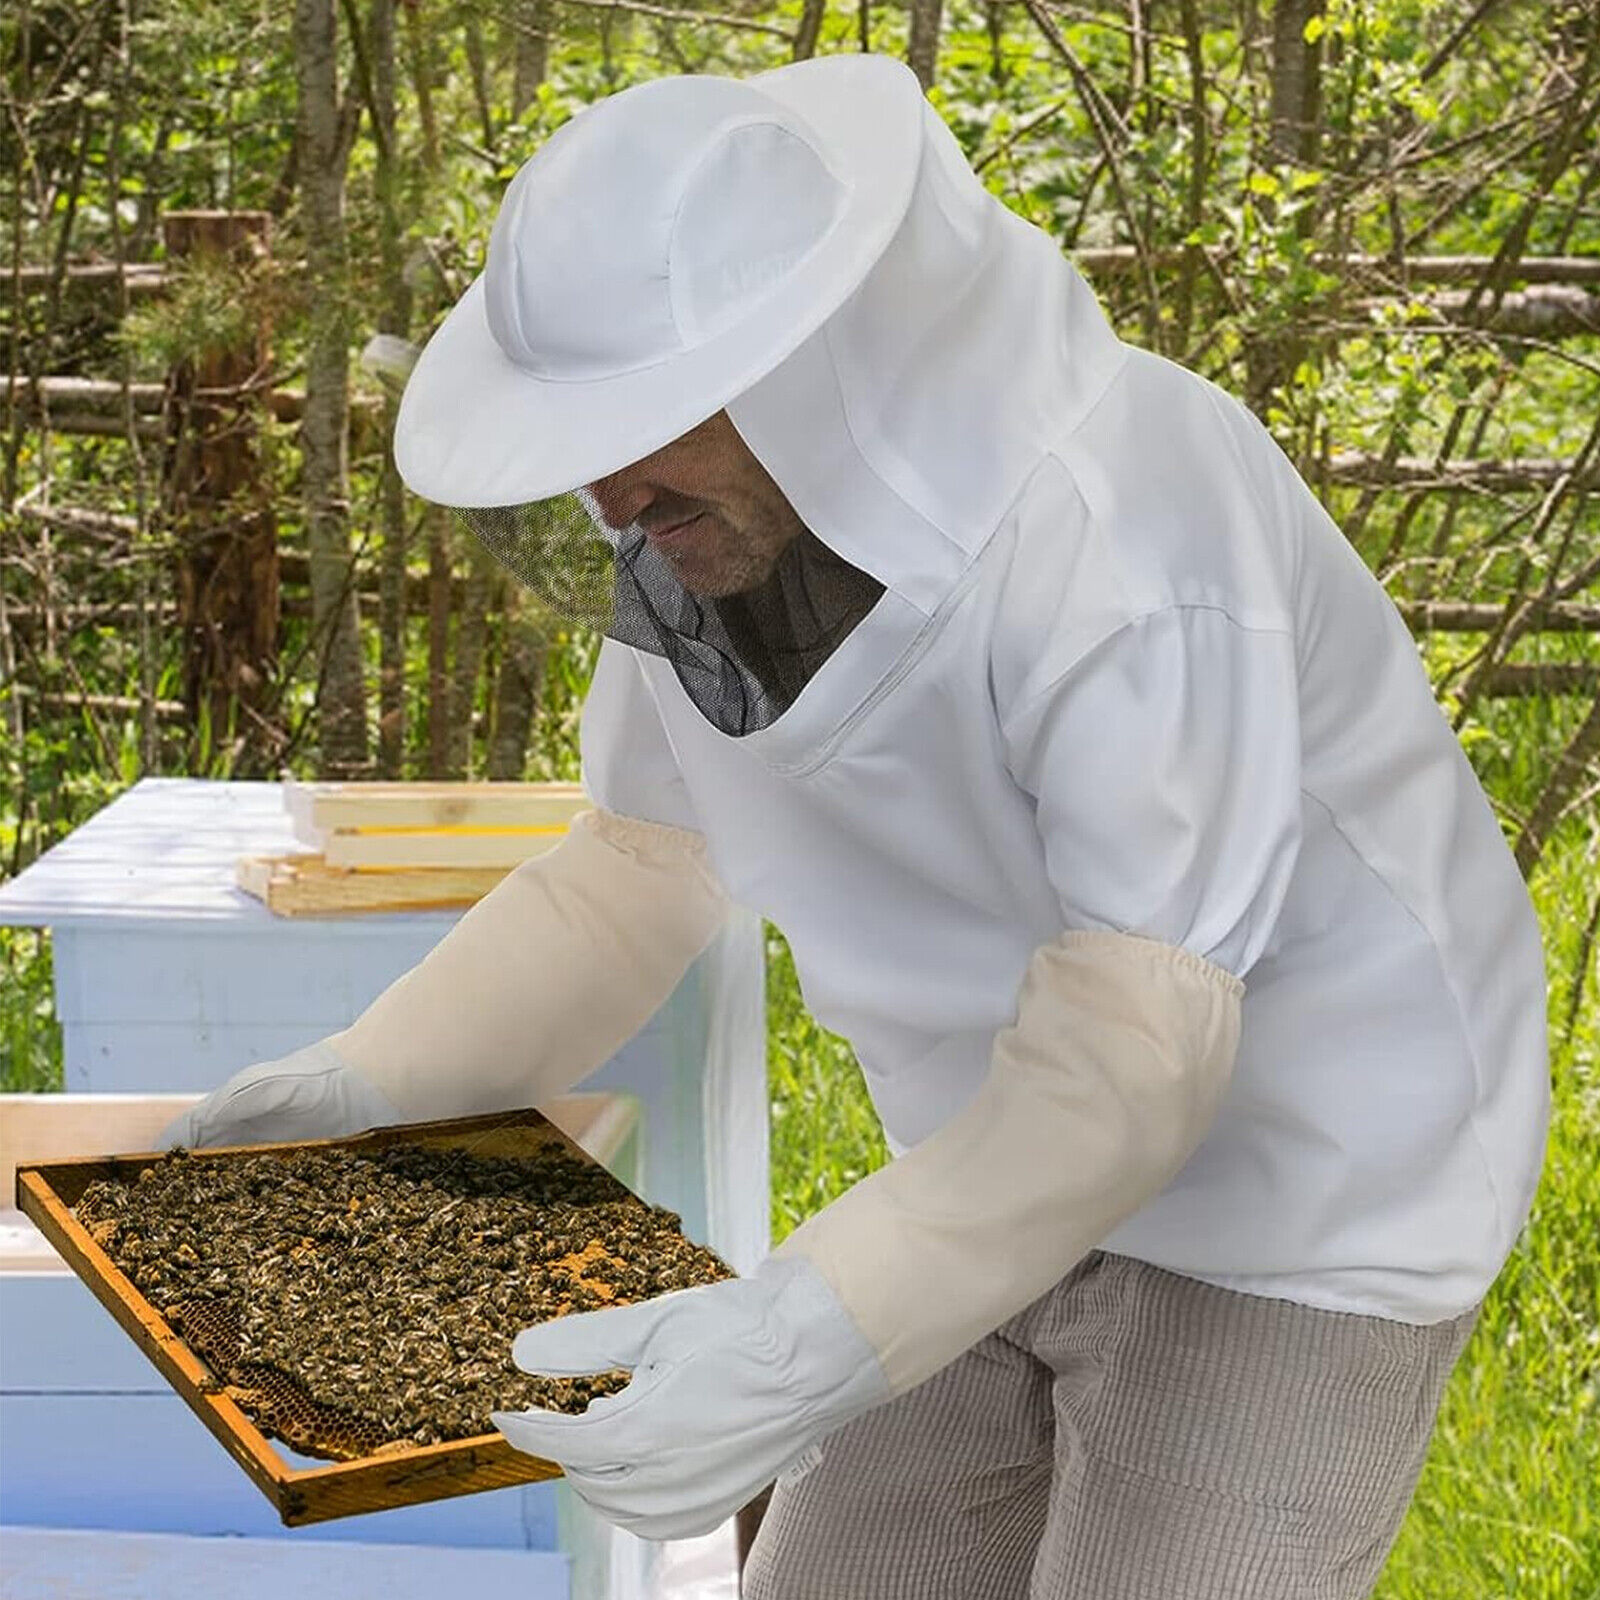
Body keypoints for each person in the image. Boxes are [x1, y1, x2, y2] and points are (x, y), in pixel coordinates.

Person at [167, 55, 1551, 1599]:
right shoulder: (697, 530)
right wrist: (361, 1084)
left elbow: (1141, 1026)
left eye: (656, 420)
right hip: (977, 1161)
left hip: (1308, 1180)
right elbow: (634, 872)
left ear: (823, 360)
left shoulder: (1123, 526)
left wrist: (810, 1330)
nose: (615, 493)